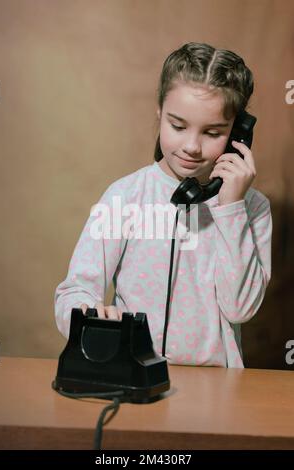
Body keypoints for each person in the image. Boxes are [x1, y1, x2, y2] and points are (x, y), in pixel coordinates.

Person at [55, 42, 272, 368]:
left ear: (238, 134)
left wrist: (230, 208)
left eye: (213, 132)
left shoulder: (251, 208)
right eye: (178, 126)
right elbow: (74, 291)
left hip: (217, 394)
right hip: (134, 376)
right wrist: (91, 315)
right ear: (159, 112)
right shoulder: (125, 196)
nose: (191, 147)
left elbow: (240, 308)